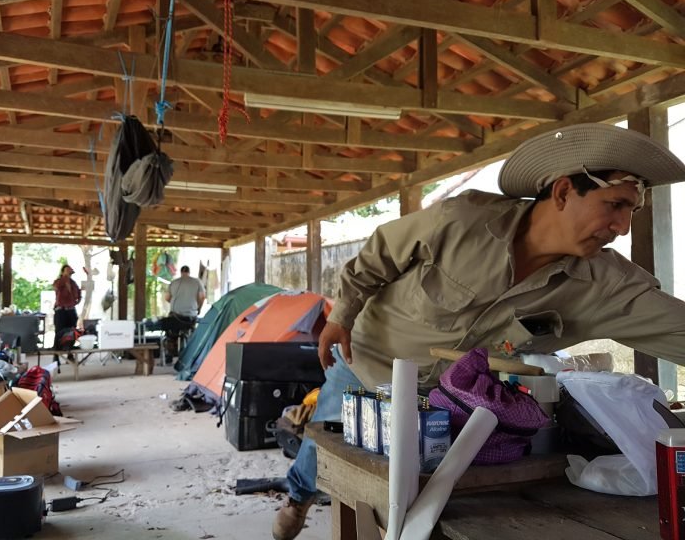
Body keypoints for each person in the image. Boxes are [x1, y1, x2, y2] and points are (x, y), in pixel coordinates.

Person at [271, 122, 685, 540]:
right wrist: (341, 316)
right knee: (323, 451)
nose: (623, 226)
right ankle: (297, 499)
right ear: (563, 192)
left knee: (425, 502)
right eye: (615, 205)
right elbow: (379, 255)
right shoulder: (462, 220)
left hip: (451, 401)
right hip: (367, 362)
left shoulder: (606, 286)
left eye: (631, 211)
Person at [163, 265, 206, 338]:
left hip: (176, 316)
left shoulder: (173, 282)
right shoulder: (197, 282)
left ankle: (172, 341)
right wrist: (199, 308)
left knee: (170, 330)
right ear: (189, 272)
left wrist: (176, 303)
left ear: (181, 272)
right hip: (190, 316)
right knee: (192, 332)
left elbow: (167, 298)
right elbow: (202, 297)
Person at [52, 264, 81, 346]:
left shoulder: (73, 283)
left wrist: (77, 300)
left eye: (70, 270)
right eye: (67, 270)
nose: (69, 271)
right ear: (62, 272)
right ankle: (57, 349)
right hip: (61, 309)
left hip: (71, 309)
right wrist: (65, 277)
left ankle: (69, 348)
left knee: (72, 330)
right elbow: (56, 287)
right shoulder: (58, 281)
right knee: (59, 330)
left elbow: (78, 293)